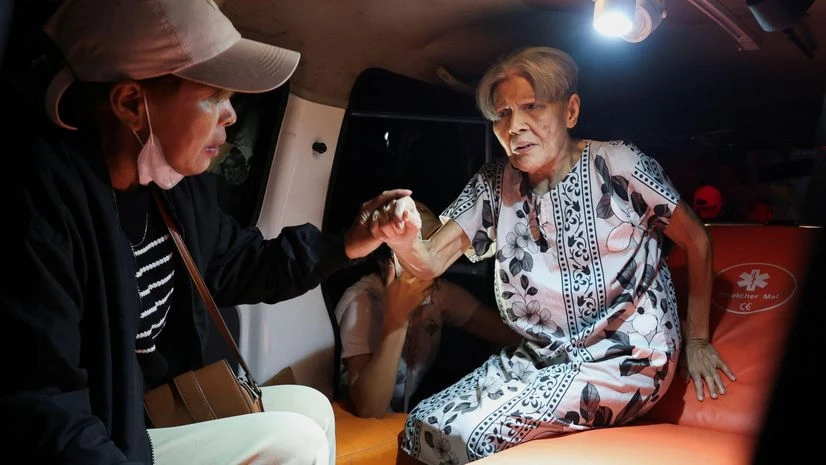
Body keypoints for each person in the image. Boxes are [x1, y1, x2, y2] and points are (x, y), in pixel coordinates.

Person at [0, 1, 412, 464]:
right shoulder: (41, 209)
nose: (231, 115)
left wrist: (348, 244)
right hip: (105, 437)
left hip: (149, 416)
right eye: (214, 96)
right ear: (132, 104)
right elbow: (44, 404)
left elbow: (240, 263)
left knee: (312, 408)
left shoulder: (173, 188)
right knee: (295, 442)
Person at [366, 47, 736, 464]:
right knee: (421, 423)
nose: (515, 126)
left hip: (626, 359)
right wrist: (400, 236)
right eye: (503, 114)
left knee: (472, 437)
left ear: (570, 111)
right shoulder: (493, 183)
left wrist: (698, 338)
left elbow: (697, 239)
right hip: (541, 357)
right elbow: (430, 261)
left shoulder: (617, 163)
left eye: (531, 107)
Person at [335, 202, 520, 418]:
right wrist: (397, 317)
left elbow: (503, 331)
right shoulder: (363, 301)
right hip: (357, 428)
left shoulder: (437, 293)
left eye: (432, 249)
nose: (428, 260)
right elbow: (368, 409)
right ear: (388, 260)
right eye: (415, 250)